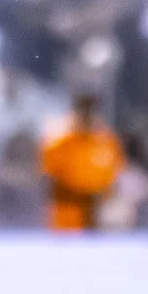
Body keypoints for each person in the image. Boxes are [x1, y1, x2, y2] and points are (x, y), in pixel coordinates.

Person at [39, 91, 124, 231]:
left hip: (100, 222)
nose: (86, 117)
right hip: (66, 223)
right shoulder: (59, 143)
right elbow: (47, 184)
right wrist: (83, 197)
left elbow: (116, 181)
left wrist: (102, 199)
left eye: (90, 111)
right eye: (83, 111)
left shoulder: (107, 142)